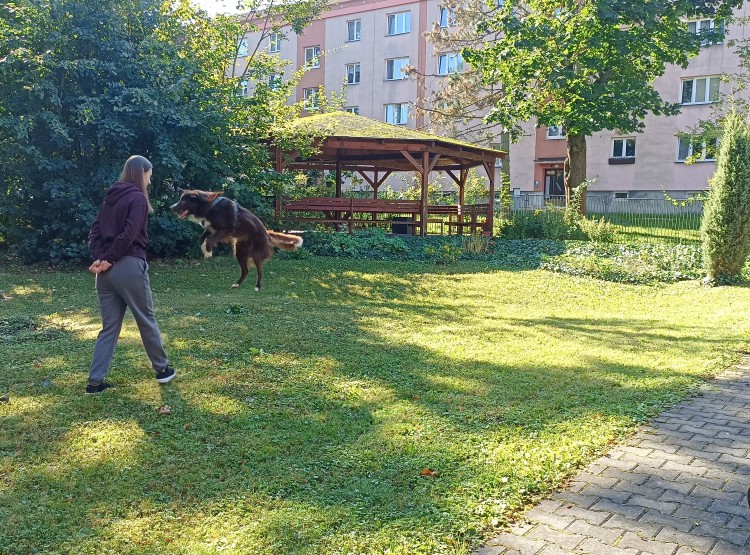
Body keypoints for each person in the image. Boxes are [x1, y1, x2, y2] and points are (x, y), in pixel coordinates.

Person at [86, 155, 175, 394]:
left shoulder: (109, 199)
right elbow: (129, 233)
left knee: (109, 328)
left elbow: (94, 231)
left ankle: (95, 382)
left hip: (105, 274)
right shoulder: (137, 198)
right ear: (141, 172)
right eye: (149, 173)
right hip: (128, 267)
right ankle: (162, 370)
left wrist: (100, 258)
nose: (150, 178)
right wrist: (109, 259)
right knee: (146, 319)